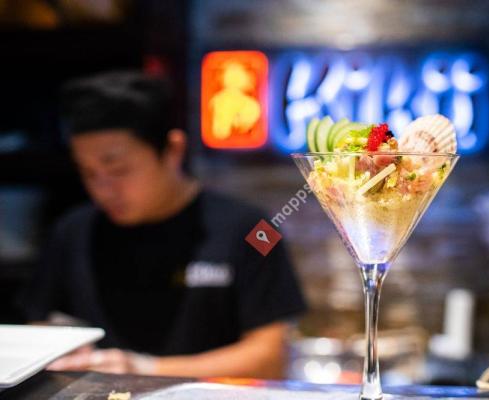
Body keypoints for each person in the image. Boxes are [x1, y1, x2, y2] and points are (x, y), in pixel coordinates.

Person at [22, 71, 306, 378]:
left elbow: (270, 356)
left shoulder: (255, 230)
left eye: (118, 170)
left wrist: (144, 369)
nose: (102, 190)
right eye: (88, 173)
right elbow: (39, 328)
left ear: (173, 150)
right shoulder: (73, 231)